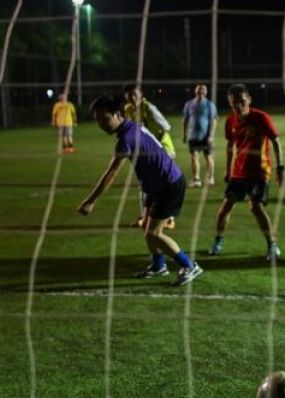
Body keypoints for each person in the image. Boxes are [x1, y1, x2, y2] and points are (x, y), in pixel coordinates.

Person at [77, 95, 202, 287]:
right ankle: (159, 266)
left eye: (105, 119)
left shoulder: (125, 139)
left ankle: (189, 265)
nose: (101, 124)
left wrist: (90, 201)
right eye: (97, 120)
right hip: (154, 185)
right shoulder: (131, 126)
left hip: (168, 184)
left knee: (154, 233)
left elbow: (110, 174)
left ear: (118, 115)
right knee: (147, 227)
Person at [207, 84, 284, 261]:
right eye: (234, 103)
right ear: (229, 102)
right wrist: (228, 170)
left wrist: (280, 168)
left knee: (255, 207)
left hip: (259, 171)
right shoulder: (230, 121)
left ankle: (272, 246)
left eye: (242, 102)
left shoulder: (261, 118)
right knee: (225, 207)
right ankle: (218, 242)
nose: (238, 106)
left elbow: (276, 141)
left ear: (249, 100)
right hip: (238, 172)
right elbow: (229, 146)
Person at [124, 85, 177, 227]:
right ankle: (143, 217)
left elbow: (166, 126)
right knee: (144, 185)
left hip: (163, 149)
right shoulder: (127, 110)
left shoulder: (149, 108)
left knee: (164, 184)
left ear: (141, 95)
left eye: (135, 95)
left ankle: (170, 218)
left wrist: (147, 131)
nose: (132, 98)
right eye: (129, 95)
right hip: (146, 151)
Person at [182, 84, 218, 187]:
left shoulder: (209, 104)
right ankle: (196, 179)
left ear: (206, 92)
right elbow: (185, 119)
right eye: (199, 89)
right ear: (195, 91)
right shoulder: (189, 104)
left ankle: (210, 178)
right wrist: (185, 134)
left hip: (205, 136)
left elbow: (213, 120)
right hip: (193, 136)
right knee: (194, 157)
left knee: (209, 157)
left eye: (203, 89)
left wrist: (211, 135)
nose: (201, 91)